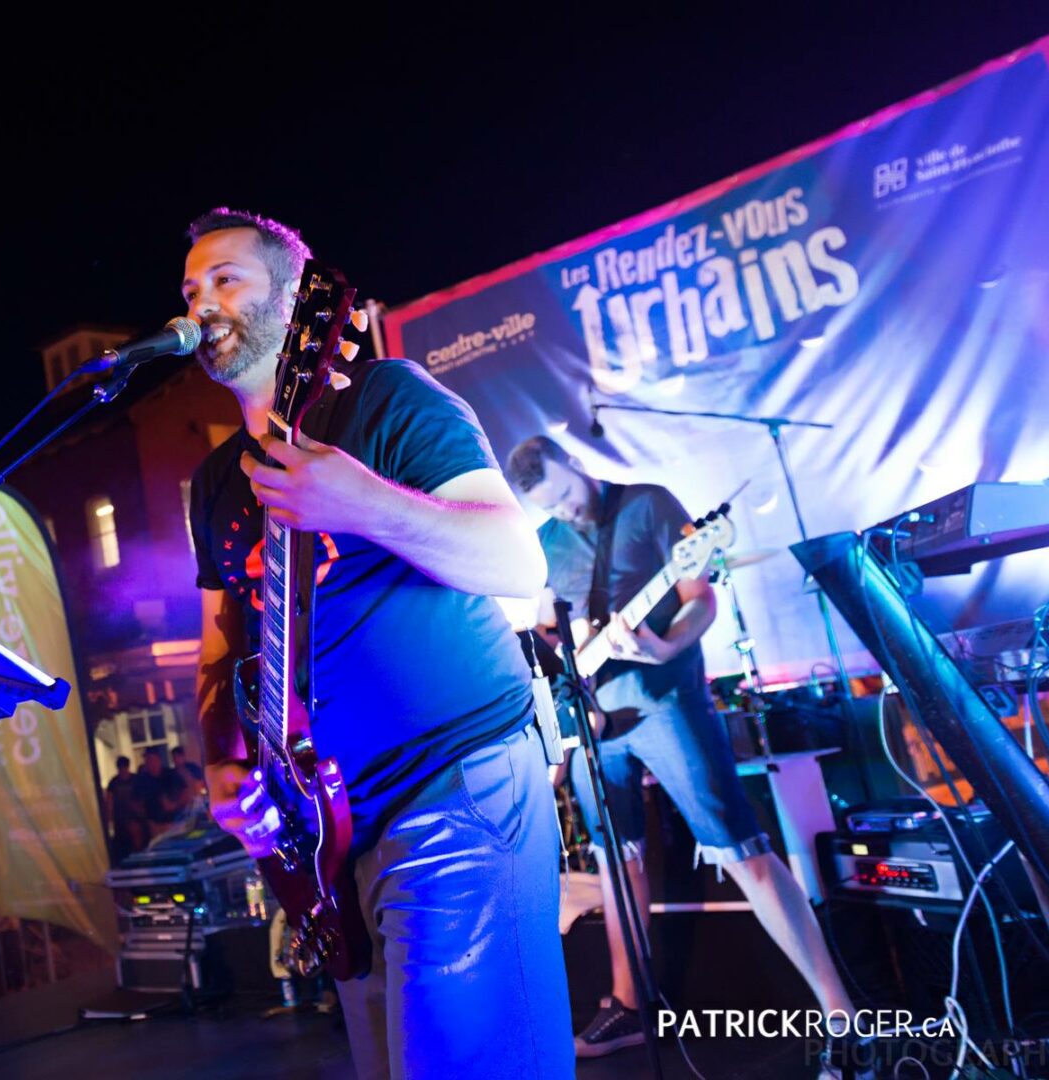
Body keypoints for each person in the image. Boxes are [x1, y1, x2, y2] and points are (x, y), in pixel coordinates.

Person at [182, 208, 572, 1078]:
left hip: (454, 781)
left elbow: (516, 559)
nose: (201, 299)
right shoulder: (213, 483)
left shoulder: (386, 399)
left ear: (296, 300)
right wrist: (220, 765)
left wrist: (366, 506)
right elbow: (217, 654)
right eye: (189, 288)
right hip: (330, 838)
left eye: (226, 279)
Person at [504, 435, 861, 1069]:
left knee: (739, 846)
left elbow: (701, 599)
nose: (566, 512)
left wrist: (664, 646)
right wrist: (564, 648)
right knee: (619, 860)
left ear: (577, 466)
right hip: (593, 716)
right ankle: (626, 1004)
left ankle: (842, 1011)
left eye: (565, 496)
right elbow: (544, 629)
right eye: (550, 506)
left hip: (666, 701)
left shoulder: (649, 506)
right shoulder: (547, 544)